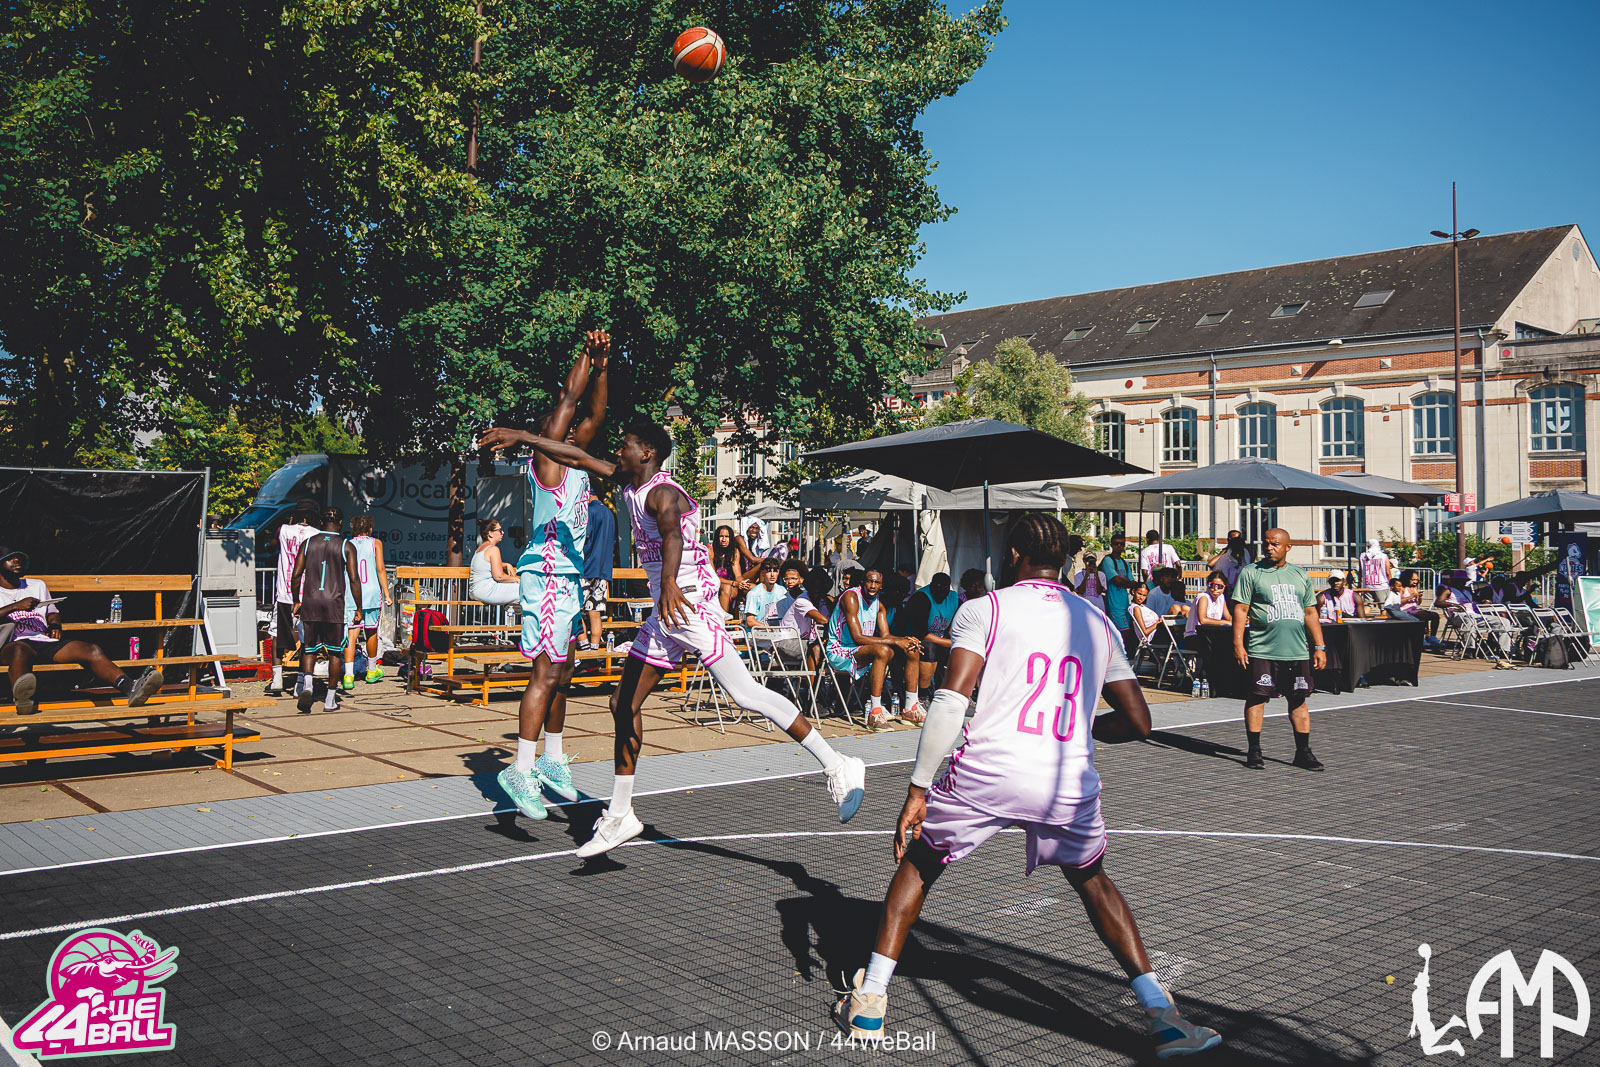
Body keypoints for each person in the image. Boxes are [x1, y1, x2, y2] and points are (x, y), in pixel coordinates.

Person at [832, 515, 1222, 1059]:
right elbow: (1139, 722)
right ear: (1064, 560)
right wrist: (1083, 728)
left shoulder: (985, 609)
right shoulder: (1097, 620)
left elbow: (950, 701)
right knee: (1093, 882)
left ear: (1013, 555)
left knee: (919, 866)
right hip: (1064, 776)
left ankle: (870, 1001)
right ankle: (1165, 1017)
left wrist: (917, 788)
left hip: (989, 770)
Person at [494, 419, 867, 857]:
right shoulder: (628, 481)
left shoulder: (663, 493)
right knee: (622, 704)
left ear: (647, 453)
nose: (619, 451)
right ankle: (620, 814)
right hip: (665, 613)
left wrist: (669, 581)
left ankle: (838, 764)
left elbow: (671, 533)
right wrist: (526, 438)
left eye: (626, 444)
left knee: (746, 694)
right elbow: (577, 456)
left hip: (690, 605)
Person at [475, 329, 611, 819]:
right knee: (545, 672)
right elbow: (571, 401)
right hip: (547, 575)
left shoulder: (578, 465)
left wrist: (603, 366)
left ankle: (552, 758)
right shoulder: (549, 462)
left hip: (567, 576)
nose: (579, 430)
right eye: (568, 428)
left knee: (565, 670)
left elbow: (595, 411)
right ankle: (519, 768)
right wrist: (585, 355)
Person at [0, 546, 164, 716]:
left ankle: (131, 688)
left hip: (42, 639)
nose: (17, 561)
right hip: (11, 643)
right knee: (19, 651)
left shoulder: (37, 585)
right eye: (11, 558)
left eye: (20, 558)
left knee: (91, 650)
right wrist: (15, 606)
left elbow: (52, 612)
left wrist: (55, 625)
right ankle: (23, 701)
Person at [1230, 527, 1326, 772]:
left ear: (1288, 547)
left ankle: (1303, 752)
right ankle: (1254, 750)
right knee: (1257, 697)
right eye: (1266, 543)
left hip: (1296, 649)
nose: (1269, 548)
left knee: (1298, 699)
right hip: (1263, 648)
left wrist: (1319, 646)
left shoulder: (1300, 574)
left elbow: (1310, 612)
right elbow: (1241, 609)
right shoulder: (1251, 572)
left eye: (1275, 544)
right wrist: (1238, 644)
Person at [824, 568, 923, 729]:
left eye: (877, 582)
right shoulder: (851, 597)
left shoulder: (879, 603)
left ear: (881, 586)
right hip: (840, 650)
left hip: (862, 650)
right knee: (882, 650)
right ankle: (875, 712)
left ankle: (910, 708)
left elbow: (886, 635)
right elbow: (857, 638)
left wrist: (904, 640)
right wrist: (896, 641)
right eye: (870, 581)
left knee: (912, 648)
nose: (873, 585)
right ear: (862, 582)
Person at [290, 507, 361, 713]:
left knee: (309, 648)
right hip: (334, 604)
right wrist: (359, 607)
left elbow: (296, 575)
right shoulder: (347, 545)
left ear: (321, 522)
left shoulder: (308, 543)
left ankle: (308, 686)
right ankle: (330, 699)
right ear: (341, 523)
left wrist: (296, 600)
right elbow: (354, 578)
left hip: (311, 602)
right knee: (335, 652)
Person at [267, 501, 322, 695]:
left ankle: (277, 679)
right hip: (308, 594)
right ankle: (301, 682)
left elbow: (271, 547)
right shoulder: (317, 534)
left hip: (285, 592)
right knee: (307, 640)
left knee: (276, 634)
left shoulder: (283, 530)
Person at [896, 573, 959, 706]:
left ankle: (951, 691)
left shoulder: (954, 598)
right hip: (916, 639)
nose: (941, 591)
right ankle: (923, 694)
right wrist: (950, 643)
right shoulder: (921, 598)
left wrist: (953, 639)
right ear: (931, 586)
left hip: (941, 640)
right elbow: (922, 634)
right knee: (930, 648)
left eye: (945, 588)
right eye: (937, 587)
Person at [341, 515, 389, 688]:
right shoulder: (376, 543)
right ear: (370, 528)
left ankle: (348, 675)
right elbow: (380, 569)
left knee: (351, 633)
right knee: (371, 631)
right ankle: (371, 670)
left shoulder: (347, 544)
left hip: (352, 593)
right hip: (372, 592)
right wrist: (387, 593)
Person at [581, 491, 616, 651]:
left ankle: (584, 647)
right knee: (594, 611)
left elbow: (584, 538)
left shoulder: (590, 511)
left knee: (574, 611)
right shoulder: (609, 513)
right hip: (603, 570)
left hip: (586, 567)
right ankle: (595, 651)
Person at [1099, 532, 1138, 651]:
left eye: (1121, 544)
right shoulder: (1108, 560)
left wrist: (1125, 581)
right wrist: (1126, 581)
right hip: (1114, 603)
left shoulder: (1124, 562)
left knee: (1123, 632)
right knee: (1123, 632)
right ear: (1111, 545)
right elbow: (1116, 580)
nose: (1119, 546)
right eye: (1116, 544)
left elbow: (1132, 582)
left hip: (1124, 603)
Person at [468, 519, 521, 606]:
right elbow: (499, 576)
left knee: (520, 590)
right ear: (490, 533)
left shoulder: (480, 549)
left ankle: (513, 607)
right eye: (499, 530)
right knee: (525, 589)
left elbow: (487, 564)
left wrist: (506, 565)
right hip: (486, 591)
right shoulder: (493, 549)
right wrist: (517, 580)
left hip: (476, 591)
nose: (503, 533)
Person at [1185, 571, 1232, 638]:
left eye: (1219, 586)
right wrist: (1225, 622)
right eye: (1212, 585)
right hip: (1195, 635)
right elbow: (1203, 620)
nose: (1215, 589)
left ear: (1224, 587)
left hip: (1211, 633)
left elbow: (1228, 617)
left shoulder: (1221, 597)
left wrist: (1241, 621)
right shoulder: (1203, 598)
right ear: (1208, 585)